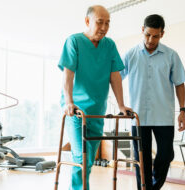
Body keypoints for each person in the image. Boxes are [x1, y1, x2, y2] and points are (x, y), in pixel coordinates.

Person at [59, 5, 132, 190]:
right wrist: (69, 102)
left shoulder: (109, 45)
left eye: (108, 23)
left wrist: (121, 105)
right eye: (100, 22)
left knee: (89, 160)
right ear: (87, 21)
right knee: (80, 157)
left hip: (97, 112)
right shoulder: (74, 41)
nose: (104, 27)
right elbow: (68, 74)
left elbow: (115, 76)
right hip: (76, 111)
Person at [121, 14, 185, 190]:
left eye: (156, 36)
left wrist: (182, 110)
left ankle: (153, 187)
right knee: (141, 160)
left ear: (162, 34)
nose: (151, 40)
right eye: (148, 35)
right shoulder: (130, 54)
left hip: (163, 115)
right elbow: (115, 78)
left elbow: (179, 84)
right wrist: (121, 104)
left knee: (166, 155)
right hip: (138, 117)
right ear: (142, 30)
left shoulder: (171, 55)